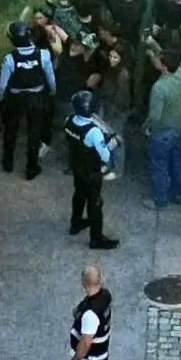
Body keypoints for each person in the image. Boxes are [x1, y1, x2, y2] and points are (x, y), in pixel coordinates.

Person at [0, 20, 56, 179]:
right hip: (36, 97)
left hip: (15, 98)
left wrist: (0, 99)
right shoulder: (43, 55)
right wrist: (52, 91)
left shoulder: (9, 59)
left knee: (10, 130)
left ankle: (8, 163)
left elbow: (2, 85)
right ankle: (31, 168)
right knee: (34, 133)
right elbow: (50, 77)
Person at [65, 89, 120, 251]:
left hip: (76, 165)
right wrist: (113, 143)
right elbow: (105, 155)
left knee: (79, 193)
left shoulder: (69, 121)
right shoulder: (93, 131)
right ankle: (96, 239)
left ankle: (75, 223)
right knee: (95, 202)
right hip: (91, 170)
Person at [143, 50, 181, 211]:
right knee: (176, 162)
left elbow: (155, 115)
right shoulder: (180, 74)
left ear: (165, 67)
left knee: (159, 166)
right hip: (177, 126)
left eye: (157, 59)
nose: (154, 60)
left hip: (161, 131)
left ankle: (159, 200)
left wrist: (146, 126)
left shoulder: (159, 87)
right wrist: (152, 45)